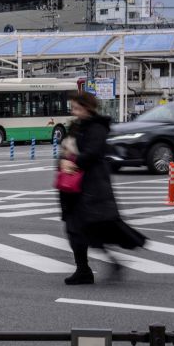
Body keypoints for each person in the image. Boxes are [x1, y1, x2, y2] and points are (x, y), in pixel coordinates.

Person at [60, 91, 146, 285]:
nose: (74, 112)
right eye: (73, 108)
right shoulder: (77, 125)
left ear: (87, 107)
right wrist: (63, 161)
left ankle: (87, 269)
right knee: (77, 229)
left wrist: (73, 162)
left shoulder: (97, 127)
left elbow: (92, 153)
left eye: (77, 108)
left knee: (86, 228)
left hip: (91, 185)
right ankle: (86, 268)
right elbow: (66, 147)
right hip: (74, 185)